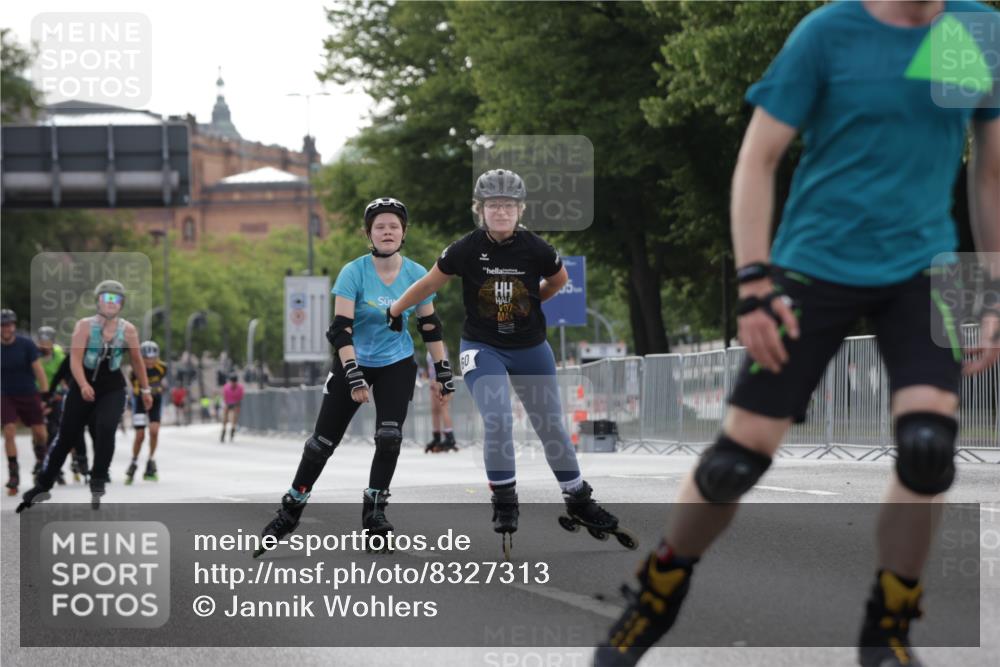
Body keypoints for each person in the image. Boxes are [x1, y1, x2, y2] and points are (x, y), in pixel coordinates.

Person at [595, 2, 1000, 666]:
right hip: (814, 265)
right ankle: (658, 587)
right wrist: (754, 282)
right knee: (734, 463)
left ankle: (887, 627)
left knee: (929, 449)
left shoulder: (972, 30)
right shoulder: (829, 33)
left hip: (922, 269)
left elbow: (989, 171)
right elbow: (758, 159)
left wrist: (990, 292)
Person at [386, 170, 634, 558]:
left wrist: (531, 303)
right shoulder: (465, 248)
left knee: (550, 424)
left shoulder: (536, 249)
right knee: (498, 417)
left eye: (507, 205)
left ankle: (578, 498)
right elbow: (431, 284)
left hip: (531, 347)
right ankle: (504, 498)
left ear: (520, 209)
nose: (500, 211)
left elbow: (557, 281)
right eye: (492, 205)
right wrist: (396, 307)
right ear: (480, 210)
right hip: (483, 347)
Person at [254, 196, 452, 556]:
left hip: (397, 360)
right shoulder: (354, 272)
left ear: (403, 232)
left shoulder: (417, 273)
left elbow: (429, 325)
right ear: (369, 234)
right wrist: (354, 374)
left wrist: (442, 370)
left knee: (389, 437)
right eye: (380, 227)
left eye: (394, 226)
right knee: (321, 444)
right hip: (353, 360)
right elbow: (340, 331)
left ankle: (375, 513)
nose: (387, 232)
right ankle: (291, 508)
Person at [16, 280, 153, 511]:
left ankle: (98, 477)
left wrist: (146, 390)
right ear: (98, 301)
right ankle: (43, 485)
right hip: (83, 386)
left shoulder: (128, 330)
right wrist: (81, 384)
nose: (111, 303)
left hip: (112, 388)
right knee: (67, 436)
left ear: (121, 304)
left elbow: (137, 362)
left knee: (106, 426)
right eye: (106, 298)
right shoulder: (84, 326)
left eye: (116, 299)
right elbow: (74, 361)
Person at [1, 309, 49, 495]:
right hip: (5, 394)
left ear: (14, 326)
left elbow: (39, 371)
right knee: (9, 430)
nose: (6, 329)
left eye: (9, 325)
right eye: (2, 326)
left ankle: (41, 462)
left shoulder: (26, 345)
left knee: (40, 432)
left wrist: (45, 396)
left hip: (29, 393)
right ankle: (14, 474)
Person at [125, 341, 168, 484]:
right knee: (140, 435)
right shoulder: (135, 369)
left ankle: (151, 460)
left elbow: (162, 382)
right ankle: (134, 461)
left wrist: (158, 389)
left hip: (156, 400)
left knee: (154, 431)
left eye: (152, 359)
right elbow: (135, 388)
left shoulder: (162, 367)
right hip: (140, 401)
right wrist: (147, 391)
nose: (149, 362)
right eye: (146, 359)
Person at [35, 326, 69, 485]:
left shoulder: (59, 354)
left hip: (55, 396)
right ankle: (40, 459)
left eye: (48, 342)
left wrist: (60, 392)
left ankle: (55, 465)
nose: (45, 346)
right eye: (42, 342)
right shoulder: (34, 355)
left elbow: (64, 376)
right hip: (38, 395)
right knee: (39, 431)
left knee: (54, 431)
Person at [424, 345, 458, 453]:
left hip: (440, 381)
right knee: (434, 410)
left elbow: (443, 364)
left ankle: (449, 437)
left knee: (443, 408)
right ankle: (437, 436)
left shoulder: (440, 346)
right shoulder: (429, 346)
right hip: (432, 381)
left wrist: (438, 380)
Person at [220, 374, 244, 442]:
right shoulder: (226, 387)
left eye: (234, 382)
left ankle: (232, 430)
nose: (233, 383)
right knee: (224, 418)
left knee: (234, 418)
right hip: (227, 403)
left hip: (235, 404)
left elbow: (240, 397)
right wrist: (225, 403)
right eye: (232, 382)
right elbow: (224, 396)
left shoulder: (240, 388)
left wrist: (237, 404)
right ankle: (223, 431)